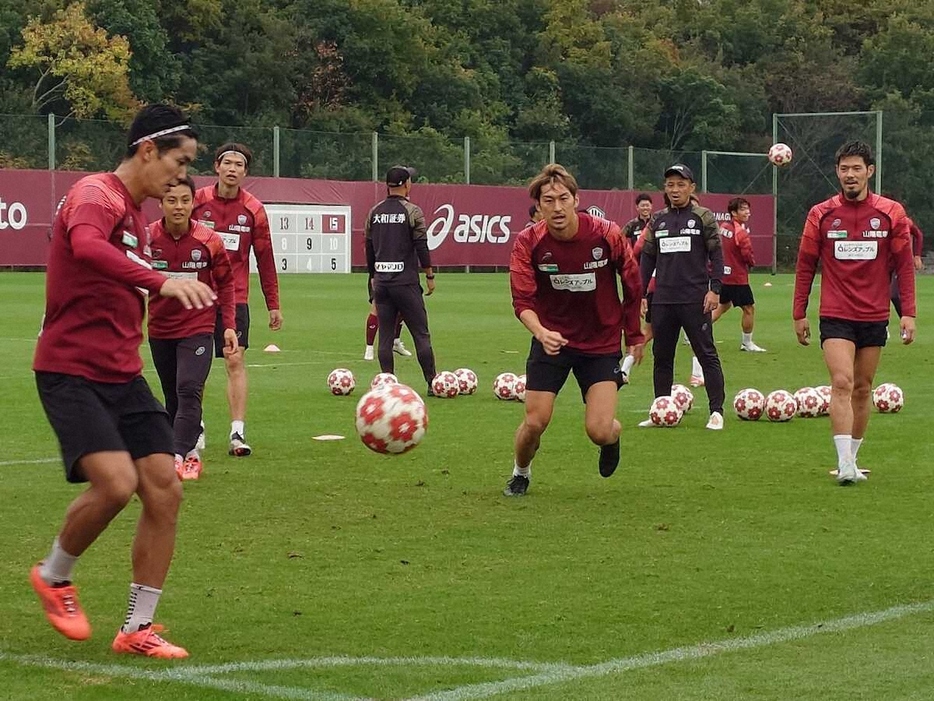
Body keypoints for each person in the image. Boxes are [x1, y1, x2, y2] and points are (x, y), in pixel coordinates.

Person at [31, 103, 213, 658]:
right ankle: (54, 576)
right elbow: (86, 248)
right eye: (179, 161)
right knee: (115, 484)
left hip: (121, 374)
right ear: (147, 150)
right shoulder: (96, 194)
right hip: (70, 371)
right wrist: (162, 281)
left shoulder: (136, 214)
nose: (182, 177)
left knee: (165, 489)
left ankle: (137, 628)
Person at [505, 163, 644, 496]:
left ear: (576, 199)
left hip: (600, 341)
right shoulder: (528, 242)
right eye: (547, 200)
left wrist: (634, 335)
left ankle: (613, 438)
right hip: (552, 340)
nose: (556, 207)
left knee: (599, 430)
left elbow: (633, 283)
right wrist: (540, 332)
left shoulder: (606, 233)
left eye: (562, 198)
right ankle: (520, 472)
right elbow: (522, 301)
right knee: (535, 422)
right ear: (538, 206)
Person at [793, 140, 916, 485]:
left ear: (869, 172)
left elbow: (905, 266)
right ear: (837, 172)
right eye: (844, 169)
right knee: (842, 381)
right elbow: (805, 265)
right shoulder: (821, 214)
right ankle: (844, 464)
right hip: (835, 314)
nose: (850, 174)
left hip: (875, 315)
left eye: (856, 168)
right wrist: (798, 312)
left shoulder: (891, 213)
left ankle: (854, 459)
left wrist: (908, 312)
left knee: (863, 388)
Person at [192, 143, 282, 457]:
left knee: (235, 361)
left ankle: (237, 433)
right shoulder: (196, 201)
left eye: (238, 164)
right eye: (227, 163)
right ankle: (195, 427)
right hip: (197, 297)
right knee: (195, 365)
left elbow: (265, 257)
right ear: (216, 166)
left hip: (235, 299)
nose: (232, 169)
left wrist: (273, 303)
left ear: (245, 172)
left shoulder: (254, 209)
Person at [148, 176, 238, 481]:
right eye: (171, 200)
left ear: (193, 204)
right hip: (160, 328)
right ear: (160, 203)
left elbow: (226, 283)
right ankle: (188, 452)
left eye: (185, 200)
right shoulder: (147, 238)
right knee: (173, 394)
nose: (179, 207)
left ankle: (174, 456)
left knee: (189, 388)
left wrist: (228, 325)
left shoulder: (209, 240)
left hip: (198, 326)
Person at [637, 164, 726, 430]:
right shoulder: (658, 219)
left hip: (695, 298)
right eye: (670, 185)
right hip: (663, 299)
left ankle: (716, 411)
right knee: (662, 356)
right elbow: (648, 258)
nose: (675, 189)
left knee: (706, 353)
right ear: (665, 189)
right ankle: (661, 409)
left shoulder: (703, 216)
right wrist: (640, 294)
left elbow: (717, 255)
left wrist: (715, 289)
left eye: (680, 184)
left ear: (691, 187)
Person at [365, 165, 438, 390]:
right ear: (407, 184)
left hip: (382, 283)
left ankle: (388, 384)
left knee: (385, 335)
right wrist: (429, 274)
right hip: (405, 282)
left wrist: (372, 277)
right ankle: (432, 382)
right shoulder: (413, 211)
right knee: (420, 334)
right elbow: (421, 245)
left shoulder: (374, 212)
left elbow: (368, 247)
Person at [687, 196, 765, 385]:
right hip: (737, 277)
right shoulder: (740, 232)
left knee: (722, 306)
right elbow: (747, 253)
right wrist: (751, 263)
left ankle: (696, 331)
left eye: (748, 209)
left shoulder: (723, 227)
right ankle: (747, 343)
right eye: (744, 209)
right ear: (734, 213)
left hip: (722, 276)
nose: (748, 212)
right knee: (749, 308)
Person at [890, 216, 924, 319]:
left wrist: (917, 255)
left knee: (894, 295)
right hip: (881, 264)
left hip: (899, 263)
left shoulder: (904, 222)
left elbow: (918, 234)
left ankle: (905, 320)